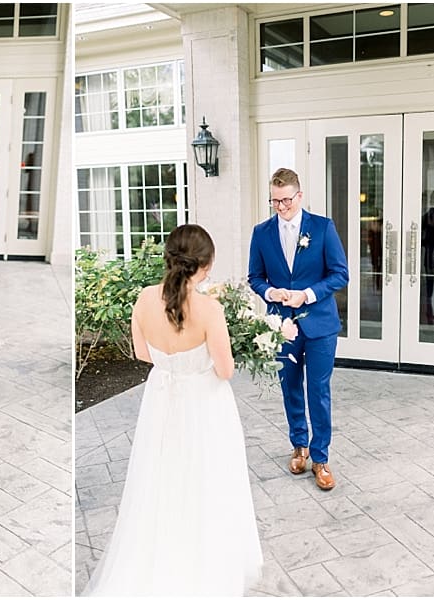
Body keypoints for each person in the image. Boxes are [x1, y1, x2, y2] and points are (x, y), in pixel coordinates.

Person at [84, 224, 263, 595]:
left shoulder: (144, 298)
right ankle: (202, 564)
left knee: (160, 480)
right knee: (207, 481)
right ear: (204, 265)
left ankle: (160, 556)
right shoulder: (209, 309)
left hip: (161, 399)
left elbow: (141, 353)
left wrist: (174, 364)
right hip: (205, 404)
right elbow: (225, 369)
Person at [247, 168, 349, 491]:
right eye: (274, 201)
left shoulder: (322, 227)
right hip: (281, 325)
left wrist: (306, 294)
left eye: (286, 200)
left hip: (320, 324)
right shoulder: (261, 233)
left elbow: (340, 274)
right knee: (290, 385)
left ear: (299, 196)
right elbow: (255, 277)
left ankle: (320, 458)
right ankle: (299, 446)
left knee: (318, 391)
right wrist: (270, 293)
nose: (280, 207)